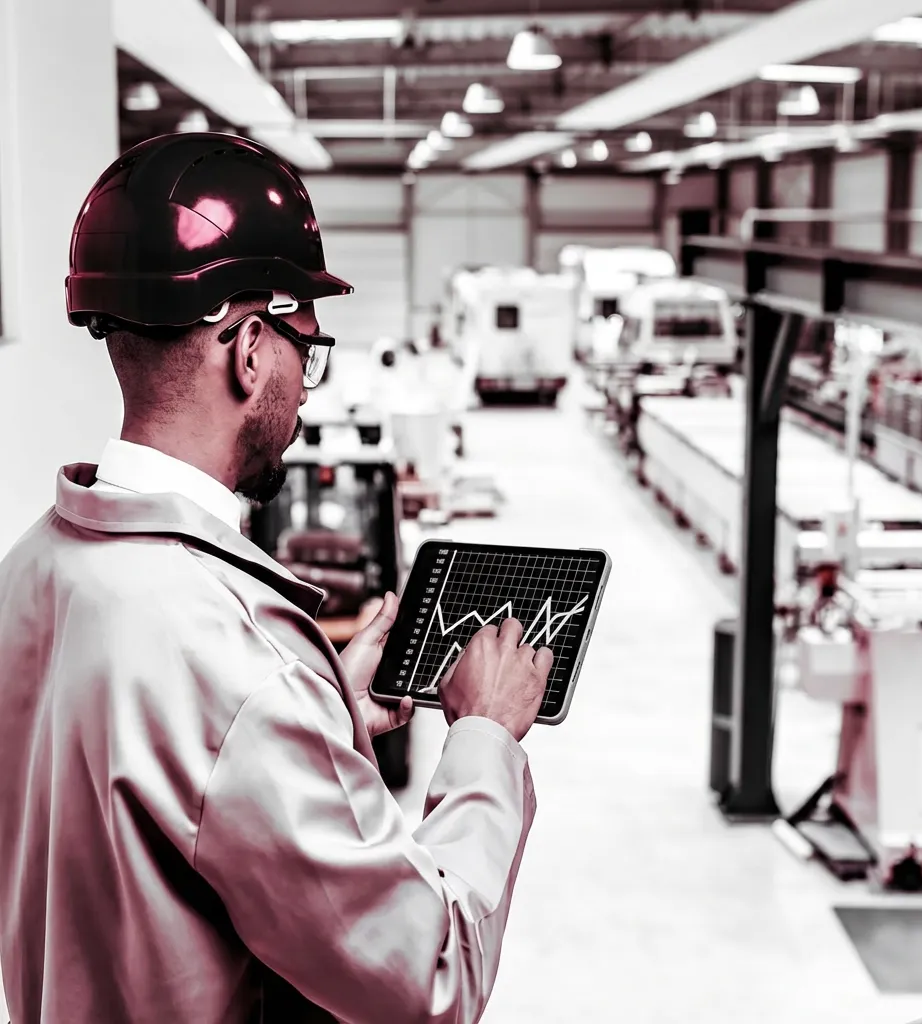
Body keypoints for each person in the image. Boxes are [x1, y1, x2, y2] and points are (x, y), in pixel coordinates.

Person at [0, 133, 553, 1024]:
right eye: (307, 348)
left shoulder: (29, 574)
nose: (306, 386)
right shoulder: (235, 661)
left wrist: (322, 710)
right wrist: (484, 737)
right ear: (250, 350)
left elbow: (150, 825)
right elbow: (428, 980)